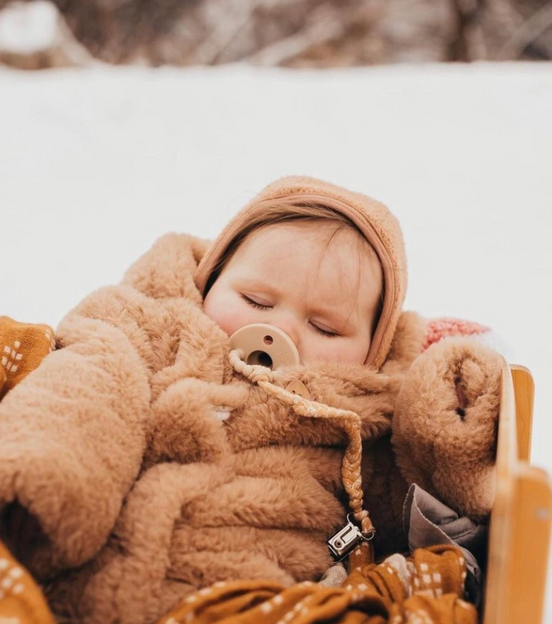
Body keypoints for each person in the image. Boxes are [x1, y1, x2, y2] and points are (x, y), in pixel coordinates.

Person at [0, 175, 501, 624]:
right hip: (76, 579)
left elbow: (419, 501)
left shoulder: (361, 423)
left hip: (243, 599)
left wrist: (448, 437)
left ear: (373, 351)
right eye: (255, 301)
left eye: (324, 326)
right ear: (211, 278)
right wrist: (42, 481)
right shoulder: (147, 329)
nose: (279, 328)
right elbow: (85, 389)